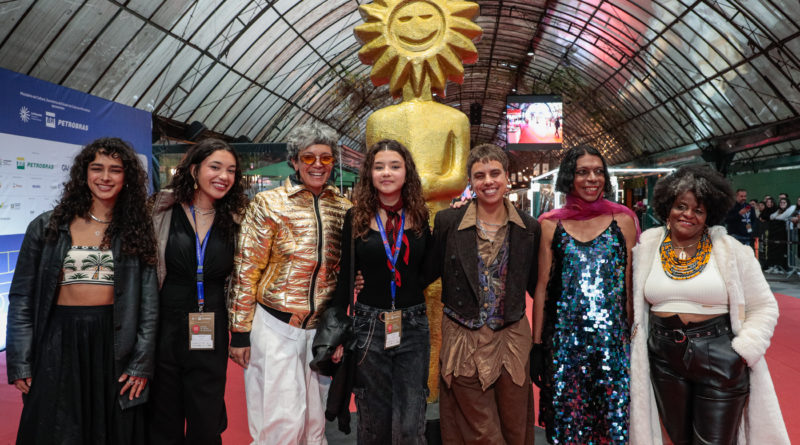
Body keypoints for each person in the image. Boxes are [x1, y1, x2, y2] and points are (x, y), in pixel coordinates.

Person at [6, 137, 158, 444]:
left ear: (127, 176)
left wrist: (141, 362)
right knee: (58, 430)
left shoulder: (137, 229)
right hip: (58, 341)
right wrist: (21, 360)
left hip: (114, 342)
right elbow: (22, 298)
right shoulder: (47, 226)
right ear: (84, 173)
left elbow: (149, 304)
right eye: (97, 168)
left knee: (112, 430)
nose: (105, 177)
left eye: (115, 170)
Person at [629, 165, 789, 445]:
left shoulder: (731, 251)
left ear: (709, 215)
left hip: (719, 356)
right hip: (663, 358)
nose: (688, 215)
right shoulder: (647, 249)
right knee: (676, 440)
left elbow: (764, 305)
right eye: (681, 206)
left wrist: (746, 349)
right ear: (667, 207)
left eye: (698, 210)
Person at [228, 122, 351, 444]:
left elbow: (348, 268)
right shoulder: (268, 203)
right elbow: (246, 268)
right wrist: (239, 332)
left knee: (314, 424)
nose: (317, 165)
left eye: (325, 158)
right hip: (275, 326)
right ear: (294, 161)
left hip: (321, 332)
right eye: (308, 158)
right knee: (281, 423)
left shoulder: (343, 207)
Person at [427, 144, 541, 444]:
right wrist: (369, 276)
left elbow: (536, 284)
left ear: (507, 177)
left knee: (515, 424)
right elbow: (425, 271)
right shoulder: (448, 222)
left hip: (511, 337)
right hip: (463, 337)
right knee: (480, 428)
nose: (488, 181)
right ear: (470, 182)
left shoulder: (529, 228)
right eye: (480, 176)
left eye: (494, 173)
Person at [329, 139, 434, 444]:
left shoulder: (420, 215)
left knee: (411, 418)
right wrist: (336, 332)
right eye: (379, 167)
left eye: (394, 166)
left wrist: (405, 286)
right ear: (369, 174)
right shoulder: (356, 217)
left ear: (406, 172)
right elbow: (345, 277)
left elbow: (427, 268)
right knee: (374, 418)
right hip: (368, 326)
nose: (386, 173)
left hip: (412, 324)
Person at [532, 145, 639, 444]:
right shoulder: (550, 224)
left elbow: (630, 284)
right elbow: (542, 286)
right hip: (564, 346)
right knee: (568, 424)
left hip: (612, 346)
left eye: (598, 172)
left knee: (613, 423)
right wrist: (537, 346)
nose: (592, 178)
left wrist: (634, 338)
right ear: (569, 177)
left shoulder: (624, 220)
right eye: (582, 172)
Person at [147, 139, 248, 444]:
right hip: (164, 327)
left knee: (206, 419)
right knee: (163, 417)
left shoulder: (238, 218)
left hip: (211, 327)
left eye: (231, 170)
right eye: (215, 167)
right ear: (194, 170)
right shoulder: (161, 210)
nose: (224, 176)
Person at [766, 196, 795, 273]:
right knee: (774, 250)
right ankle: (774, 266)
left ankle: (782, 267)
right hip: (775, 234)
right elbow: (771, 217)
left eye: (784, 202)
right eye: (781, 202)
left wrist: (776, 217)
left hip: (785, 234)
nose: (782, 204)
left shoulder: (790, 210)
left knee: (783, 251)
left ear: (787, 203)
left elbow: (781, 218)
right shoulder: (778, 211)